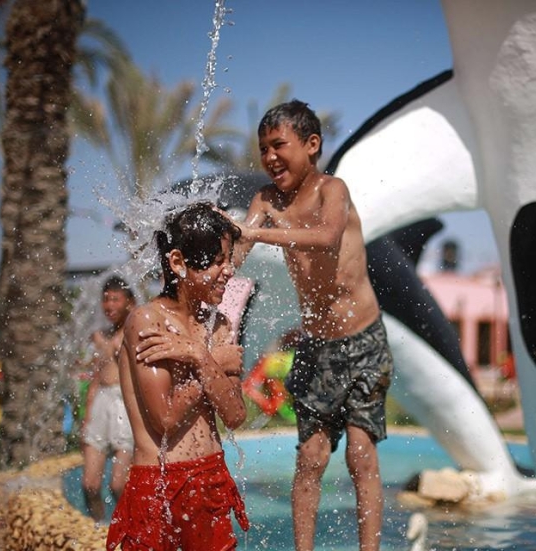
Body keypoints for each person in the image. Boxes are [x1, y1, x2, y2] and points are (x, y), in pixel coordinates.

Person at [232, 99, 394, 551]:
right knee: (310, 457)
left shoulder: (332, 190)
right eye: (263, 148)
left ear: (312, 144)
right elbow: (237, 255)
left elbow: (326, 237)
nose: (269, 157)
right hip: (317, 345)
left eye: (278, 145)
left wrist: (260, 232)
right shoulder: (265, 200)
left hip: (363, 340)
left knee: (361, 453)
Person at [106, 202, 250, 550]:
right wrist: (209, 360)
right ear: (177, 263)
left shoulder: (218, 323)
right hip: (160, 484)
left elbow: (235, 415)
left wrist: (198, 355)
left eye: (228, 260)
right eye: (217, 261)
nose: (228, 271)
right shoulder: (146, 321)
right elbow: (165, 418)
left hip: (211, 477)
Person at [80, 275, 136, 521]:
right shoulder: (102, 335)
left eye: (115, 299)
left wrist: (109, 346)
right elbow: (96, 378)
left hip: (124, 405)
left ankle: (134, 533)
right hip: (101, 403)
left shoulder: (133, 333)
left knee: (118, 485)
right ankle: (98, 531)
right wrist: (87, 415)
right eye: (106, 299)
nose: (109, 305)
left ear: (129, 303)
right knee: (90, 485)